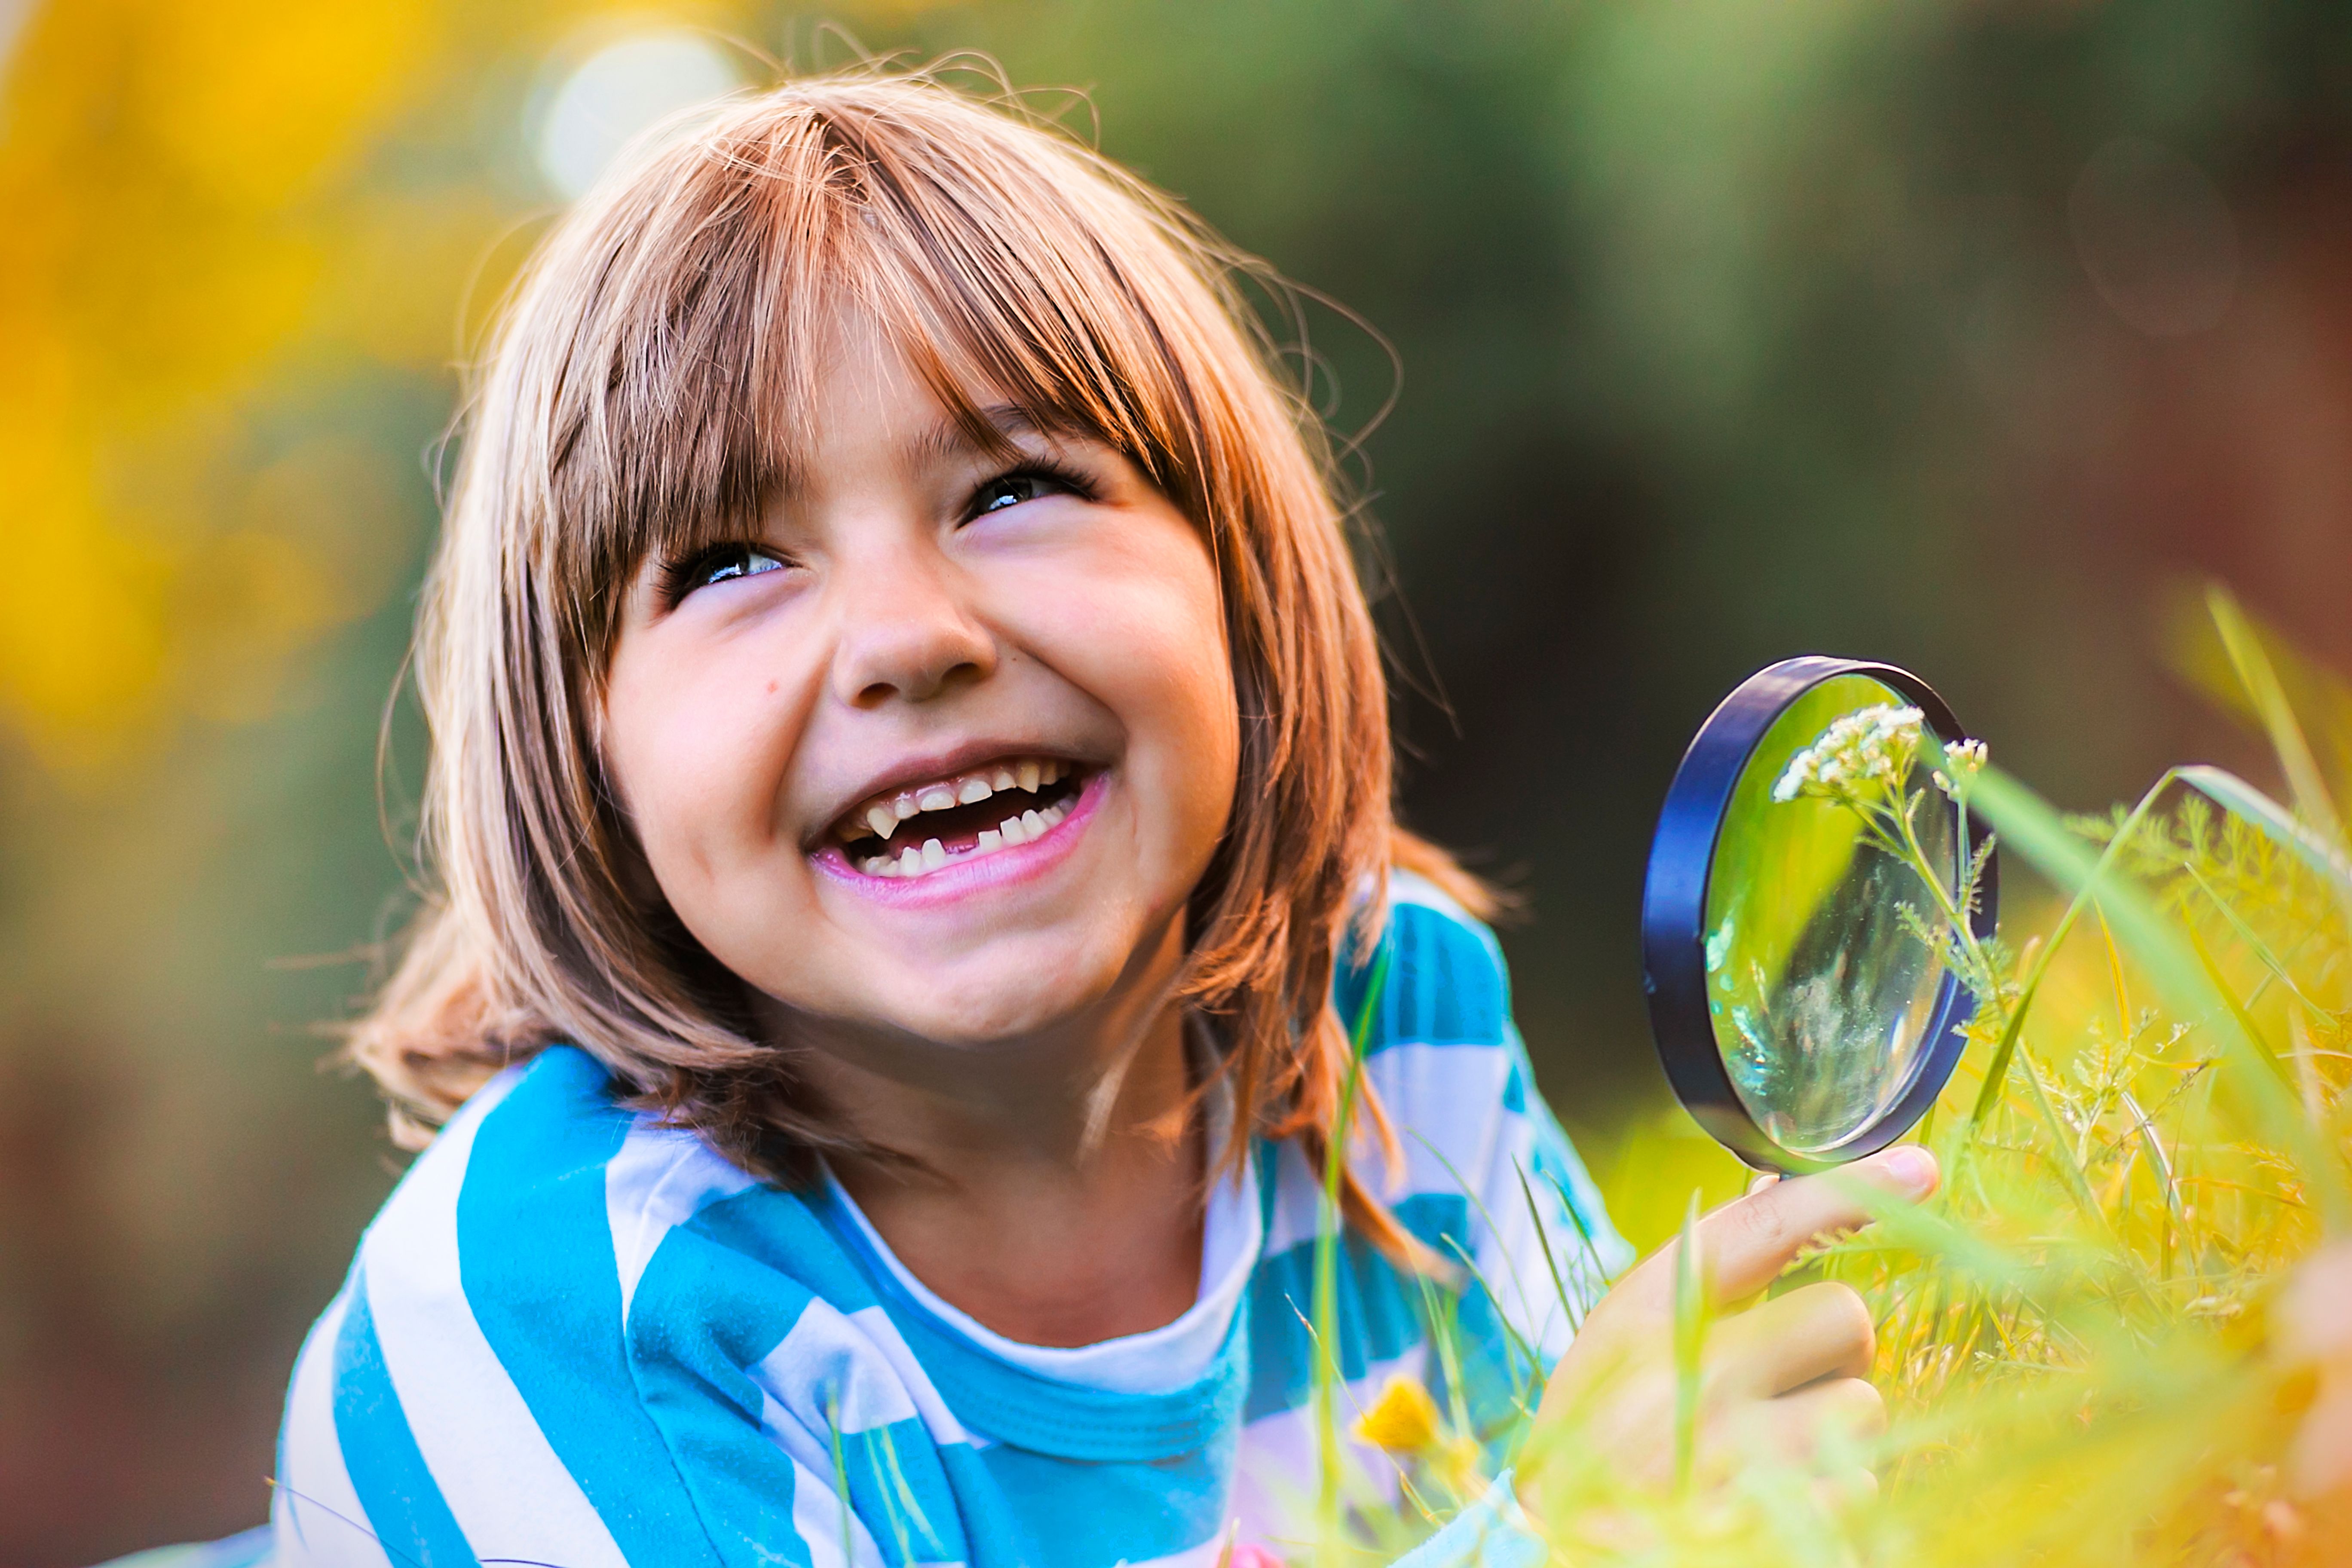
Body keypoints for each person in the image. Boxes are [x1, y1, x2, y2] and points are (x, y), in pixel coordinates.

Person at [260, 69, 1935, 1568]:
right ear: (587, 750)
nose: (915, 637)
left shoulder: (1390, 1026)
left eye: (1013, 491)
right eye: (733, 566)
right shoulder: (555, 1315)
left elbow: (1658, 1484)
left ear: (1234, 583)